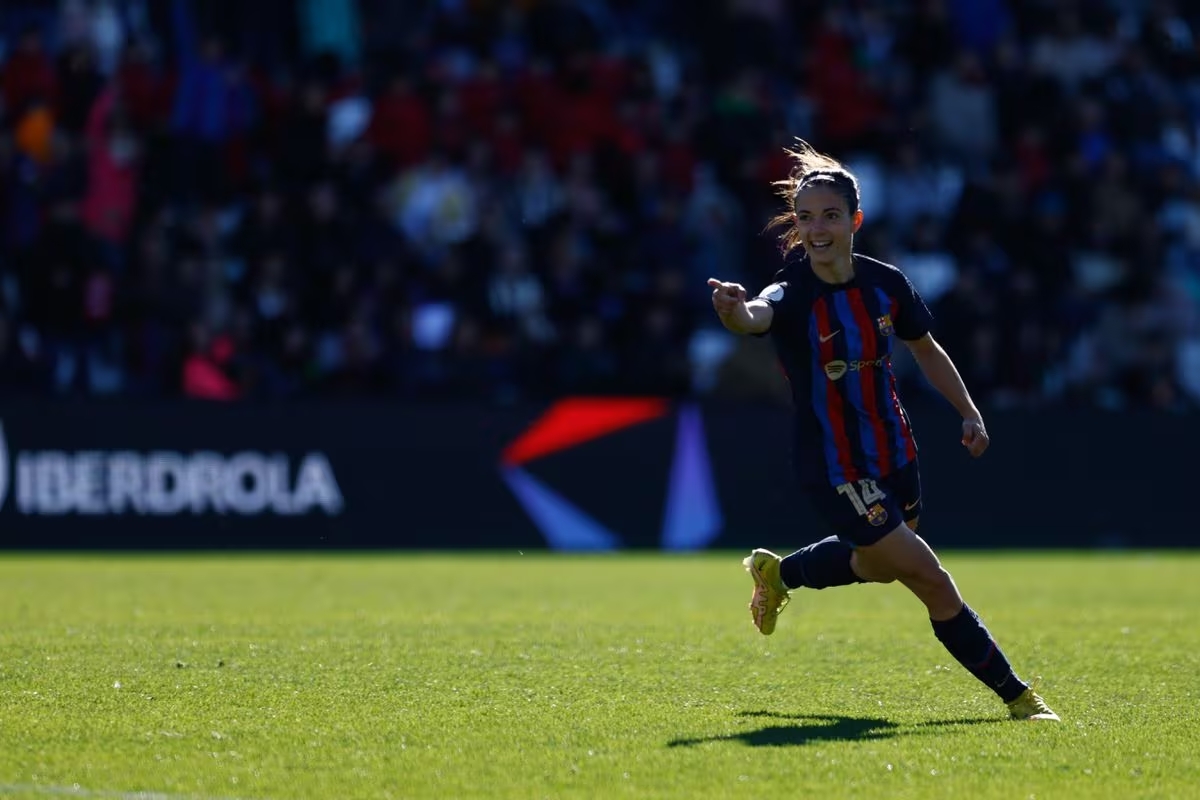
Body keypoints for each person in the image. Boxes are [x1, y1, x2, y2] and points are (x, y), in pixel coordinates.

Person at [707, 140, 1059, 722]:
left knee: (876, 565)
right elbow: (757, 316)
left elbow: (925, 347)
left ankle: (780, 572)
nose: (817, 228)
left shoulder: (886, 284)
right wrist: (733, 312)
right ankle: (1020, 698)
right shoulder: (792, 291)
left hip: (895, 451)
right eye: (806, 217)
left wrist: (968, 410)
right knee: (927, 575)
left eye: (830, 216)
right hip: (834, 466)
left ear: (855, 221)